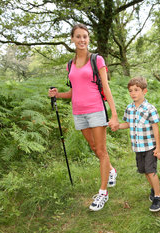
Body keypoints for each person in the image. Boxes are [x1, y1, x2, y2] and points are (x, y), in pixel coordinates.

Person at [48, 24, 119, 211]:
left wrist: (114, 113)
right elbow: (74, 92)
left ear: (88, 39)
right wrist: (57, 95)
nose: (82, 40)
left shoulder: (97, 60)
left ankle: (103, 193)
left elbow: (106, 87)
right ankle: (112, 170)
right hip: (78, 112)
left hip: (96, 110)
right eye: (78, 37)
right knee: (94, 147)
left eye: (85, 37)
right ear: (72, 39)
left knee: (102, 151)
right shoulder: (70, 64)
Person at [118, 76, 160, 212]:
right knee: (144, 171)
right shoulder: (129, 108)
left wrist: (158, 147)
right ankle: (154, 189)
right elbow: (127, 124)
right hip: (138, 147)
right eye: (131, 91)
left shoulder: (150, 108)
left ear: (145, 91)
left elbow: (156, 128)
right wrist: (117, 126)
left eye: (136, 90)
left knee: (151, 171)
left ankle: (158, 196)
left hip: (150, 146)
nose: (133, 93)